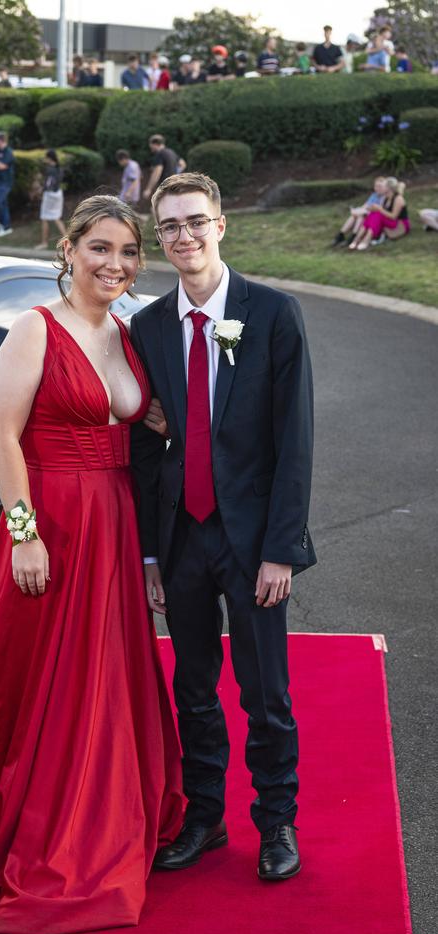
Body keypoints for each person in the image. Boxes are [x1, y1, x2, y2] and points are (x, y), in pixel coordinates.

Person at [0, 193, 184, 934]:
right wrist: (24, 532)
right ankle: (27, 826)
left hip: (114, 522)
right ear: (68, 249)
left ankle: (107, 808)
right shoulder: (34, 328)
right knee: (30, 679)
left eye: (127, 252)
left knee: (104, 676)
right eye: (99, 248)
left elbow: (138, 420)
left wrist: (153, 416)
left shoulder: (124, 332)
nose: (114, 264)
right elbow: (1, 438)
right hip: (51, 517)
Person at [130, 171, 315, 880]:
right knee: (194, 689)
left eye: (195, 221)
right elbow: (145, 453)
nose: (184, 236)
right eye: (170, 226)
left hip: (253, 538)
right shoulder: (147, 327)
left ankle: (277, 822)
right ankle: (205, 817)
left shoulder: (273, 314)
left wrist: (281, 552)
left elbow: (294, 443)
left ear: (221, 225)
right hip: (181, 538)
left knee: (265, 691)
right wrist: (149, 555)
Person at [348, 176, 409, 250]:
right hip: (389, 221)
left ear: (389, 188)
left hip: (399, 224)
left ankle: (366, 240)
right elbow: (381, 211)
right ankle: (356, 239)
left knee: (378, 214)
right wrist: (372, 209)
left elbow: (394, 216)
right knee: (373, 214)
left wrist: (380, 209)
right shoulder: (386, 198)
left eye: (384, 186)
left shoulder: (398, 199)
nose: (382, 187)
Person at [330, 176, 386, 246]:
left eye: (380, 186)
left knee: (360, 216)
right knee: (353, 216)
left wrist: (363, 211)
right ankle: (341, 234)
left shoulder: (384, 197)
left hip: (373, 217)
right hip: (366, 213)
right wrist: (358, 209)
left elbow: (380, 209)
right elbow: (365, 205)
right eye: (376, 186)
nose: (377, 188)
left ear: (385, 188)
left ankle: (354, 236)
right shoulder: (374, 195)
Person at [35, 149, 67, 248]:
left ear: (49, 158)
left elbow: (49, 184)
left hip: (50, 195)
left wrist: (41, 189)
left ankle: (44, 243)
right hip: (58, 194)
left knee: (44, 218)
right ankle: (68, 241)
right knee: (57, 218)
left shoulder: (50, 169)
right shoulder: (59, 168)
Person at [143, 134, 180, 201]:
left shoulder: (159, 154)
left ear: (155, 144)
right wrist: (175, 174)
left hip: (165, 186)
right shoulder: (171, 152)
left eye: (150, 145)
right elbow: (183, 164)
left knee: (159, 207)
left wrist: (148, 189)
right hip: (174, 184)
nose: (150, 147)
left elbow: (157, 172)